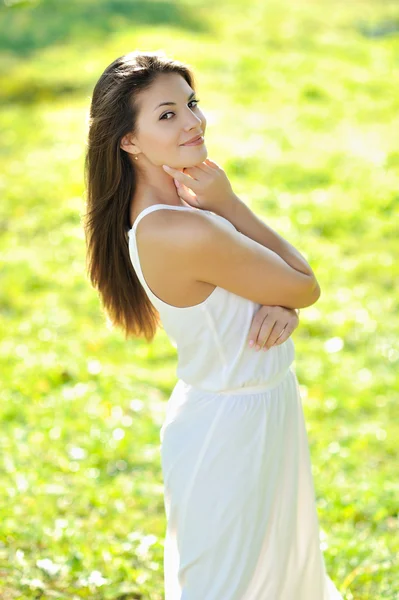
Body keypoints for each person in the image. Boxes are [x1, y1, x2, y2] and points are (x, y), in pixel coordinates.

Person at [83, 50, 343, 600]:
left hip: (256, 406)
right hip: (231, 428)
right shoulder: (180, 226)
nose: (194, 122)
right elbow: (305, 282)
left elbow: (281, 289)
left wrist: (278, 302)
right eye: (167, 114)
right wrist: (230, 204)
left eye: (192, 104)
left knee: (276, 577)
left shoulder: (176, 209)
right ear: (128, 141)